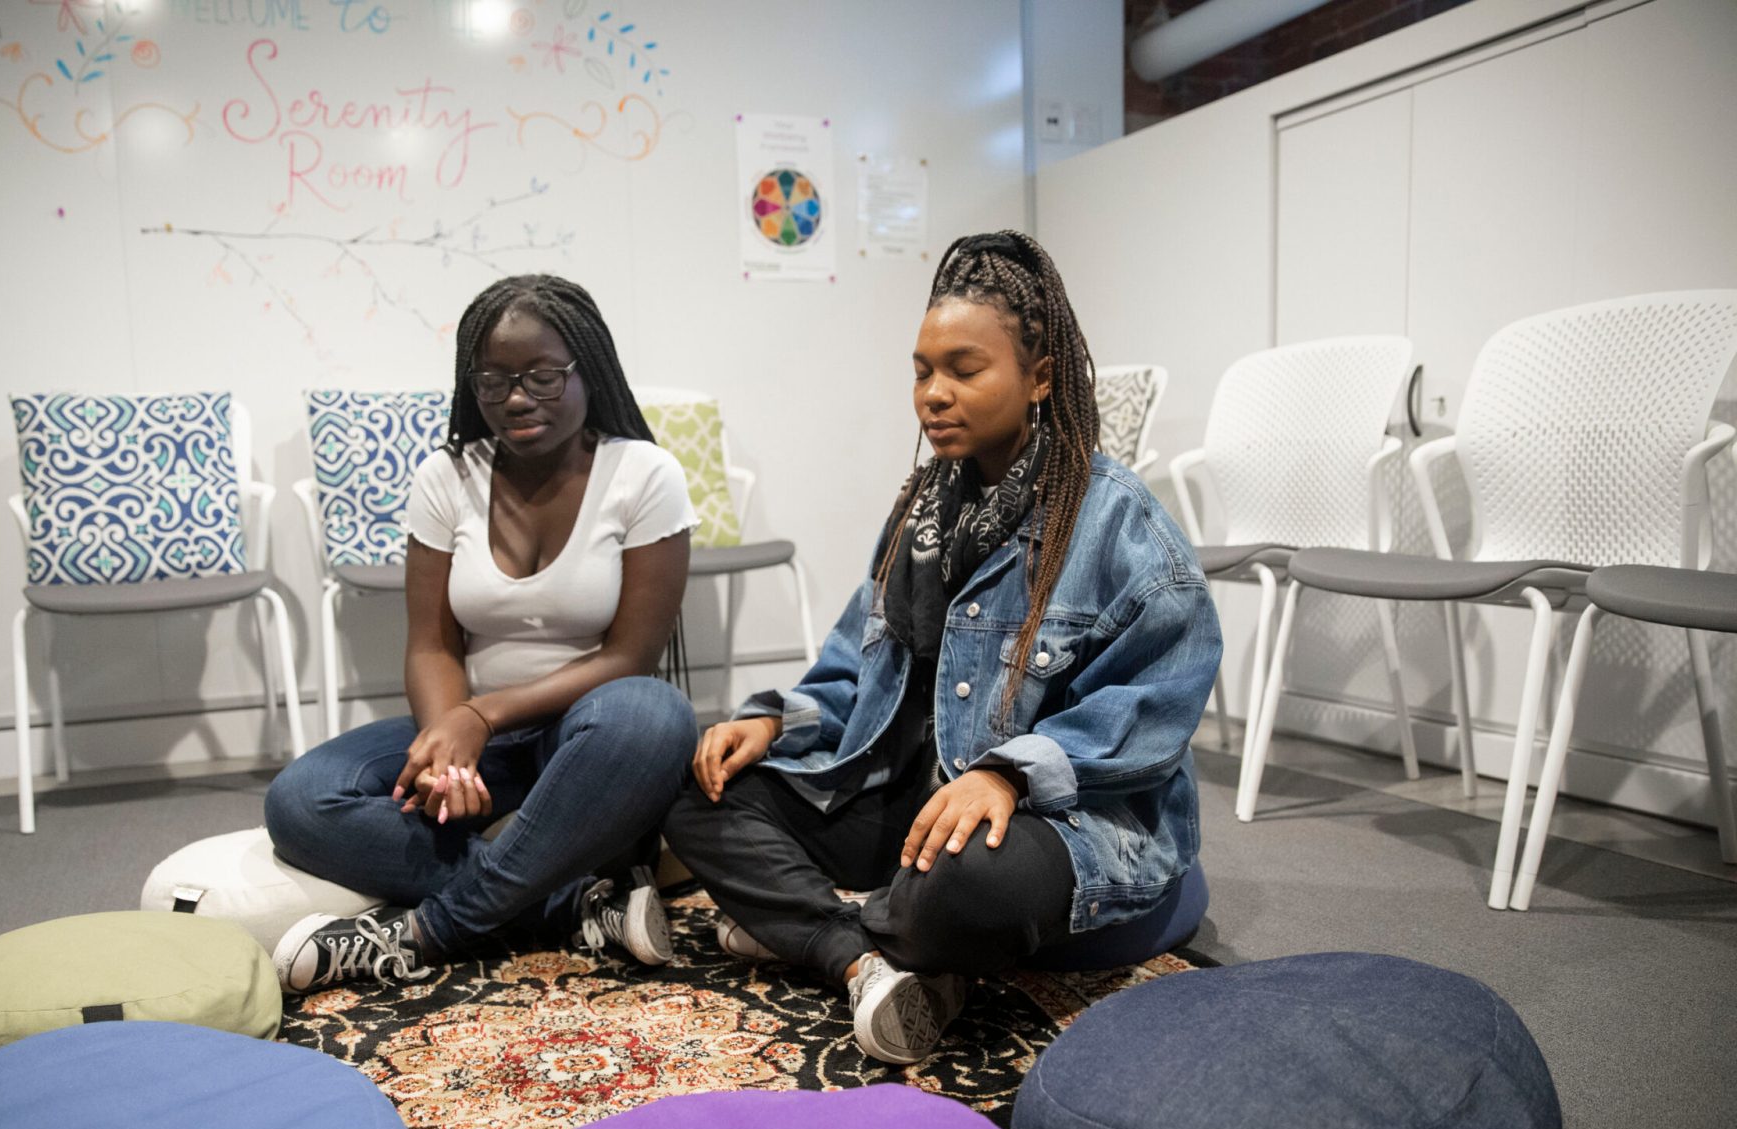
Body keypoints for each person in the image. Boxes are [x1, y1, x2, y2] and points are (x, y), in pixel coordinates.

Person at [663, 231, 1221, 1065]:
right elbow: (858, 664)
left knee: (963, 885)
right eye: (923, 371)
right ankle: (857, 956)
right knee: (699, 789)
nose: (934, 394)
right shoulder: (921, 509)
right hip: (913, 799)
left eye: (965, 369)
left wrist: (1008, 772)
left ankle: (806, 925)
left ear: (1039, 377)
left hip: (1052, 824)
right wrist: (775, 722)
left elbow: (1152, 710)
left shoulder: (1119, 524)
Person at [265, 274, 699, 993]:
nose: (517, 398)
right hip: (481, 741)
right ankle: (567, 904)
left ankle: (430, 930)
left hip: (592, 739)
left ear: (587, 367)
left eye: (541, 376)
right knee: (302, 800)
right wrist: (447, 752)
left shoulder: (644, 474)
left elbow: (630, 657)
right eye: (493, 381)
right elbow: (432, 643)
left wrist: (480, 713)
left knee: (655, 715)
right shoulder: (445, 476)